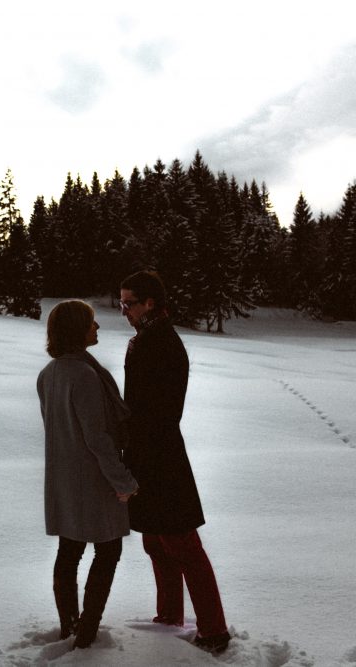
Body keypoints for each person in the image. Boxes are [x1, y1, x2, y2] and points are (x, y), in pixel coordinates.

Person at [119, 270, 232, 655]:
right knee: (156, 540)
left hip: (162, 459)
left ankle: (214, 631)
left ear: (149, 303)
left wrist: (135, 448)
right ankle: (169, 619)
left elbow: (159, 413)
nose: (123, 311)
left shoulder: (162, 343)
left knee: (182, 543)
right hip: (148, 456)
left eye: (128, 303)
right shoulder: (146, 340)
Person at [36, 300, 139, 649]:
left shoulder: (48, 374)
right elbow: (97, 438)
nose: (98, 329)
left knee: (69, 552)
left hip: (63, 480)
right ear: (76, 330)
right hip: (92, 481)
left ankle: (71, 627)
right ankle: (85, 634)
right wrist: (123, 482)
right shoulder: (84, 374)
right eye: (92, 323)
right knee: (107, 551)